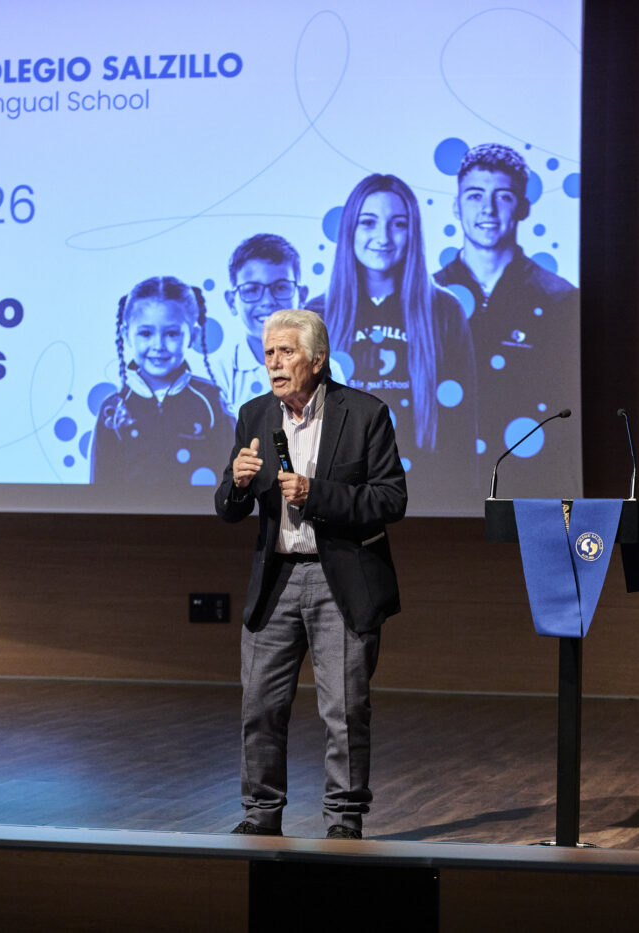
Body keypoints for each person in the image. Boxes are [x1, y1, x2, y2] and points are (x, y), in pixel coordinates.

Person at [214, 308, 407, 839]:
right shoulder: (255, 415)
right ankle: (260, 814)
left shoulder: (364, 413)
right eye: (268, 352)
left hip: (337, 579)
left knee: (344, 710)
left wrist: (316, 494)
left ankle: (343, 820)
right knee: (260, 704)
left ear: (318, 360)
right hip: (275, 581)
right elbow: (229, 508)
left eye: (286, 352)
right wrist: (234, 483)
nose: (273, 363)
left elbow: (392, 499)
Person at [313, 173, 477, 505]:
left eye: (398, 224)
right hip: (337, 498)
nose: (383, 237)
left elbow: (462, 426)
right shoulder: (316, 314)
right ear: (350, 230)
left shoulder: (445, 310)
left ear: (413, 233)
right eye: (368, 222)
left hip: (427, 497)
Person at [433, 143, 578, 495]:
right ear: (456, 206)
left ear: (523, 207)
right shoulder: (427, 296)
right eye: (474, 195)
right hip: (440, 485)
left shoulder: (560, 299)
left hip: (531, 489)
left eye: (503, 197)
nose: (488, 209)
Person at [90, 276, 233, 491]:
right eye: (146, 333)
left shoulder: (212, 400)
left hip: (200, 523)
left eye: (172, 333)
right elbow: (99, 487)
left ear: (192, 336)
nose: (158, 345)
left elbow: (235, 476)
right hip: (130, 523)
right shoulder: (113, 410)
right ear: (126, 335)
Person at [210, 234, 310, 417]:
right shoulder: (218, 374)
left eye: (280, 287)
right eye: (251, 289)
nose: (267, 301)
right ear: (232, 302)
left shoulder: (325, 369)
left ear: (301, 296)